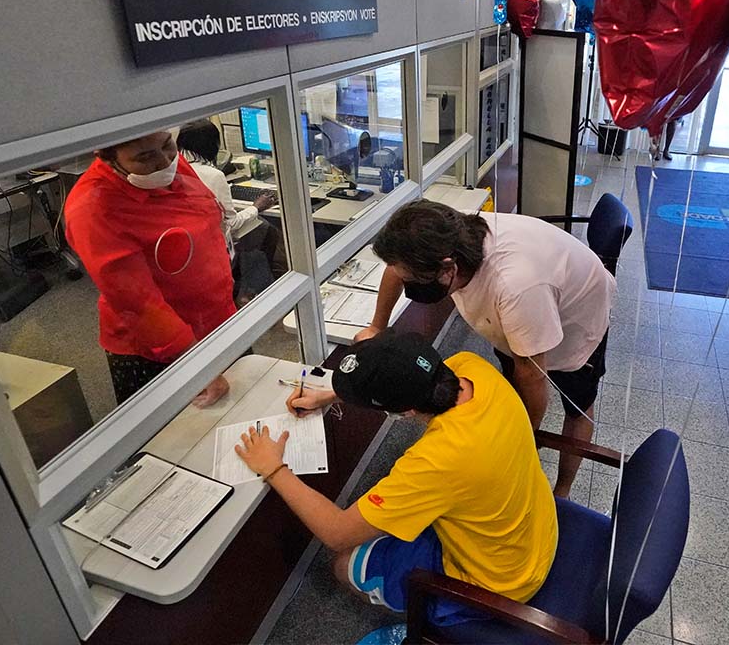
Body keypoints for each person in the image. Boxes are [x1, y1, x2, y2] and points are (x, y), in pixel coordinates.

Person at [233, 331, 557, 624]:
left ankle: (429, 619)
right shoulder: (472, 367)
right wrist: (330, 395)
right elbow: (411, 385)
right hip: (536, 527)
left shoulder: (436, 461)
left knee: (343, 565)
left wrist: (273, 468)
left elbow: (336, 533)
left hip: (503, 581)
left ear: (405, 411)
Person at [360, 200, 615, 497]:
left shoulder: (515, 286)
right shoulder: (448, 235)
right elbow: (396, 269)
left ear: (448, 268)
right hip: (527, 309)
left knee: (577, 408)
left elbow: (532, 374)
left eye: (414, 280)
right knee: (515, 381)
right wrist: (376, 327)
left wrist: (524, 437)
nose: (408, 283)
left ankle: (562, 490)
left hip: (578, 318)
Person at [65, 130, 233, 406]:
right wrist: (197, 365)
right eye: (144, 157)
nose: (164, 162)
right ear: (107, 158)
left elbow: (205, 218)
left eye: (168, 145)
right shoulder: (93, 207)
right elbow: (139, 303)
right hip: (163, 346)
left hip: (215, 320)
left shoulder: (167, 165)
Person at [176, 120, 279, 303]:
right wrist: (257, 206)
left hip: (189, 249)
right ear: (214, 145)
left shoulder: (176, 169)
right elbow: (232, 222)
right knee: (267, 230)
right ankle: (249, 291)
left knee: (261, 228)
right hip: (215, 249)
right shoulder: (214, 175)